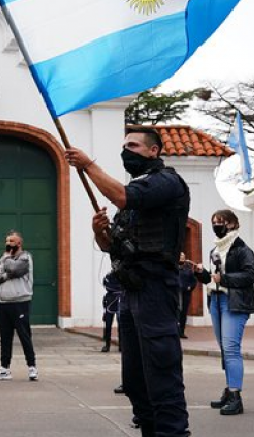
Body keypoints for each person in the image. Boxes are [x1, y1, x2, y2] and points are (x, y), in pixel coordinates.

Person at [65, 125, 191, 437]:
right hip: (130, 291)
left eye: (133, 146)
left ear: (154, 151)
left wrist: (88, 165)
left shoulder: (166, 182)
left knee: (161, 369)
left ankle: (172, 432)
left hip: (156, 289)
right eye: (124, 146)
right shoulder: (137, 192)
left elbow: (122, 197)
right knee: (135, 377)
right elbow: (113, 245)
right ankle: (149, 427)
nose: (126, 151)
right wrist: (99, 231)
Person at [194, 210, 254, 416]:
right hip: (216, 300)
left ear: (232, 224)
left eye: (220, 222)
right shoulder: (216, 249)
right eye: (214, 222)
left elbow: (252, 274)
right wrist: (199, 272)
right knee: (224, 348)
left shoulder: (241, 249)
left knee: (231, 348)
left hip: (234, 303)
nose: (217, 225)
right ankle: (228, 389)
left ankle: (235, 396)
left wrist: (225, 279)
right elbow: (212, 279)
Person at [0, 231, 37, 381]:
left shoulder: (25, 257)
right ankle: (4, 369)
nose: (9, 244)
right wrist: (6, 274)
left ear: (19, 243)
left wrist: (7, 263)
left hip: (20, 302)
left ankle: (32, 367)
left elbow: (15, 269)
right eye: (7, 241)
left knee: (24, 336)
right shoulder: (3, 258)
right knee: (5, 337)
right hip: (3, 303)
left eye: (12, 241)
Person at [101, 272, 121, 353]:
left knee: (121, 325)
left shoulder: (122, 275)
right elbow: (108, 286)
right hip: (110, 301)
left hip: (119, 300)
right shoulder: (108, 276)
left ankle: (121, 346)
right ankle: (107, 345)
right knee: (108, 324)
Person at [177, 253, 196, 339]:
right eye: (180, 256)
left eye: (183, 256)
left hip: (185, 294)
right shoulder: (174, 267)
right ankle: (175, 331)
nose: (182, 257)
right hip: (176, 293)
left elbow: (193, 281)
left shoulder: (188, 268)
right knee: (176, 312)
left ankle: (181, 332)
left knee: (183, 313)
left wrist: (190, 287)